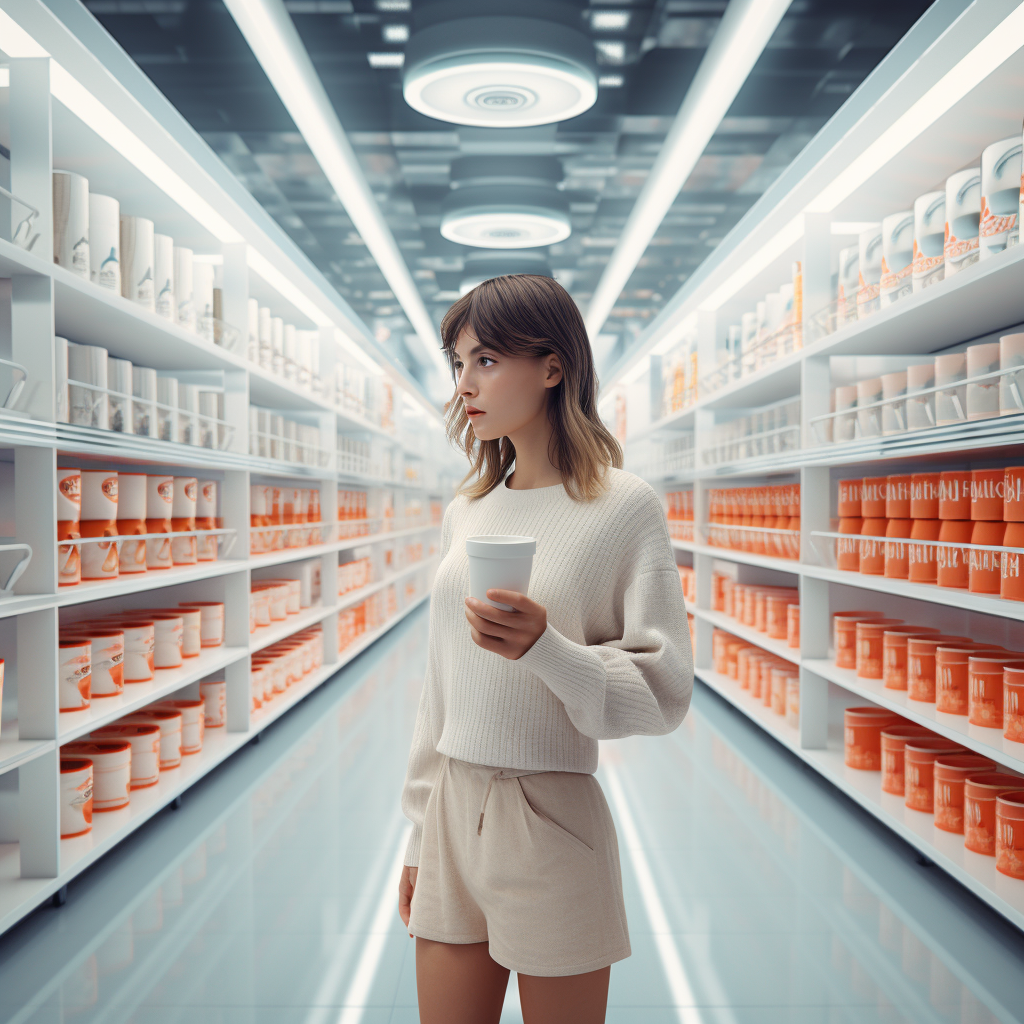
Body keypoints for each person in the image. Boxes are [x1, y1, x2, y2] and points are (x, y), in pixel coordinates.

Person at [398, 274, 693, 1024]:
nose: (465, 384)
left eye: (486, 361)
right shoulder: (466, 511)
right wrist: (416, 833)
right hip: (452, 818)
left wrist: (545, 650)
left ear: (553, 366)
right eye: (458, 363)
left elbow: (664, 692)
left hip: (551, 821)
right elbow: (439, 691)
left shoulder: (624, 508)